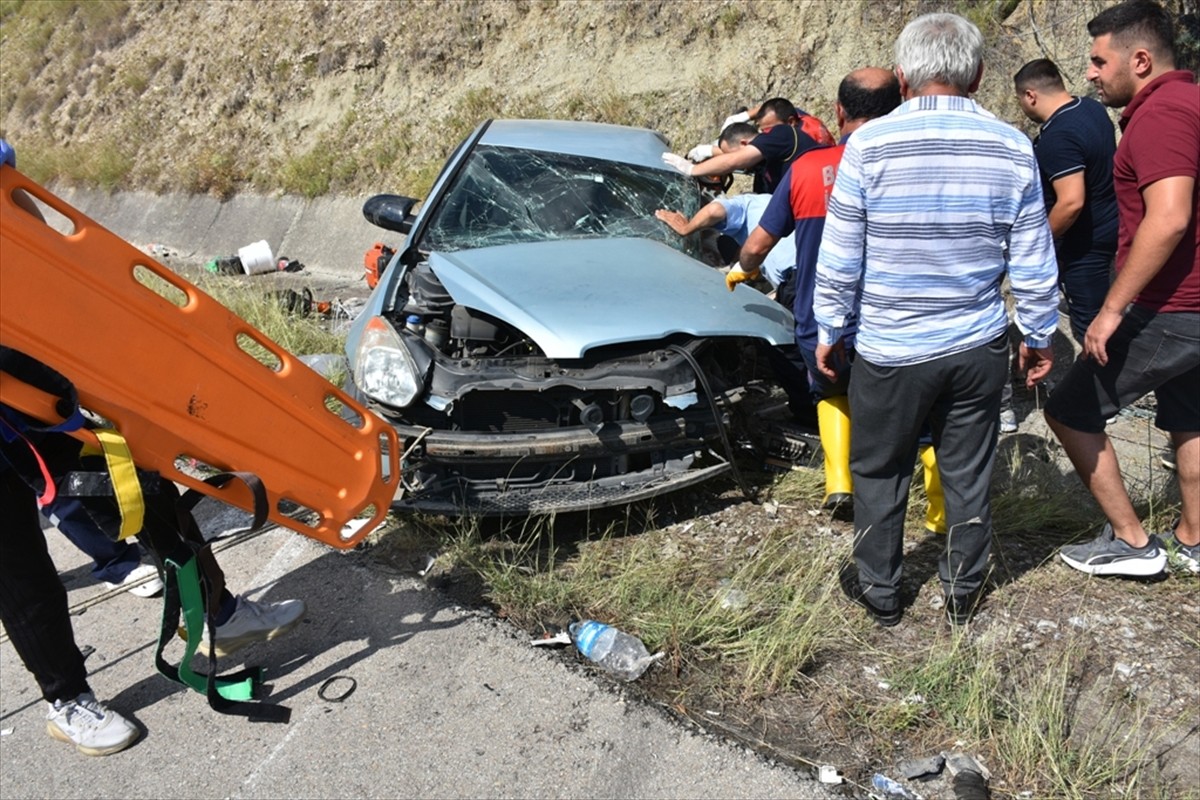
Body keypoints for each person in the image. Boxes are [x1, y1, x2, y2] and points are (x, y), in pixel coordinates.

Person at [0, 140, 305, 756]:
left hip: (33, 370)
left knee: (148, 486)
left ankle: (219, 614)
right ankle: (67, 700)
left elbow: (19, 214)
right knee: (18, 566)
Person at [812, 14, 1059, 627]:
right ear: (977, 75)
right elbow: (1032, 257)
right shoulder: (1012, 146)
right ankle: (963, 588)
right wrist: (1038, 333)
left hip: (891, 346)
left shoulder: (866, 147)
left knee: (879, 467)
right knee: (969, 468)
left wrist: (828, 328)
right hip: (975, 344)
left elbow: (842, 256)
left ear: (901, 77)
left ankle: (880, 590)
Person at [1046, 0, 1199, 577]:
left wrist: (1111, 309)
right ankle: (1192, 538)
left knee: (1070, 409)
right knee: (1190, 415)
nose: (1089, 73)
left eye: (1096, 60)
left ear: (1139, 60)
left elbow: (1169, 218)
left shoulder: (1162, 115)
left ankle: (1133, 544)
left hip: (1171, 304)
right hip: (1191, 302)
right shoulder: (1191, 103)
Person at [737, 68, 932, 519]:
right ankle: (938, 508)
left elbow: (758, 245)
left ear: (839, 111)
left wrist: (744, 270)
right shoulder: (915, 162)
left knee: (832, 393)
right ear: (900, 105)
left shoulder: (806, 168)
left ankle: (840, 485)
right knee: (923, 414)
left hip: (821, 314)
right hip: (898, 316)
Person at [654, 193, 812, 422]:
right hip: (821, 269)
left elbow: (714, 211)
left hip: (799, 279)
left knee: (786, 346)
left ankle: (809, 414)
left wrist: (687, 228)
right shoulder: (774, 201)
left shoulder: (744, 204)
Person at [1014, 58, 1119, 344]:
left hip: (1084, 249)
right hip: (1110, 230)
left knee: (1092, 332)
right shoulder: (1092, 109)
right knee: (1111, 320)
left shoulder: (1058, 136)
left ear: (1030, 95)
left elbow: (1071, 202)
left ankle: (1102, 386)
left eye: (1020, 100)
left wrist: (1038, 242)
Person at [663, 98, 833, 194]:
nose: (764, 133)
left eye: (767, 130)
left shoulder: (783, 134)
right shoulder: (795, 121)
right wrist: (746, 115)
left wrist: (693, 168)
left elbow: (736, 161)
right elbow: (777, 106)